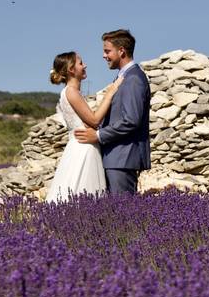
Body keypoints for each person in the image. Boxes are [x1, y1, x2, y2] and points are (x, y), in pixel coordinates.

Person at [74, 29, 151, 194]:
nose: (104, 55)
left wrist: (98, 135)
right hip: (115, 158)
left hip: (123, 159)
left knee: (124, 213)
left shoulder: (134, 79)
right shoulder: (124, 77)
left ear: (121, 50)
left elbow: (131, 120)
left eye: (107, 51)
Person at [45, 51, 122, 202]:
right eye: (81, 63)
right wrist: (110, 93)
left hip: (79, 146)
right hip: (84, 149)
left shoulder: (70, 92)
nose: (85, 65)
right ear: (71, 70)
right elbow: (94, 121)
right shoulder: (71, 92)